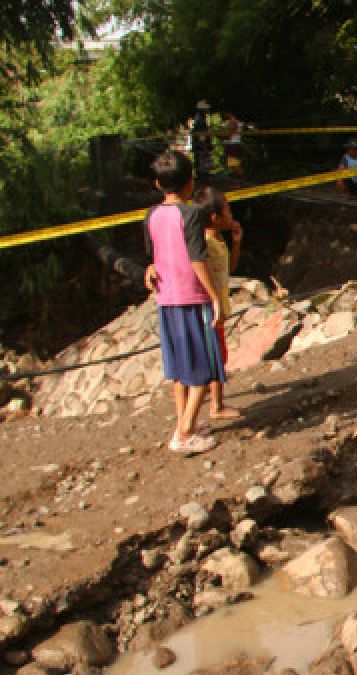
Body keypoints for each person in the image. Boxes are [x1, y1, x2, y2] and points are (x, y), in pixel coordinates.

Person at [142, 151, 225, 455]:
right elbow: (197, 259)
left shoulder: (152, 215)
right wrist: (214, 296)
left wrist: (150, 270)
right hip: (192, 297)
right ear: (190, 184)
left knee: (179, 369)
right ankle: (185, 432)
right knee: (203, 366)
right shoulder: (190, 215)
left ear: (157, 183)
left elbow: (155, 255)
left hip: (166, 300)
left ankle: (183, 421)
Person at [193, 186, 242, 421]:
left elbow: (229, 269)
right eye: (228, 210)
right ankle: (216, 405)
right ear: (215, 217)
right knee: (216, 356)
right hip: (211, 309)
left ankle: (213, 400)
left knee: (218, 355)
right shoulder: (204, 246)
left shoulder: (218, 241)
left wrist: (237, 243)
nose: (231, 214)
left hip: (218, 307)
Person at [223, 112, 245, 179]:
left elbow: (228, 135)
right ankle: (239, 181)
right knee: (235, 165)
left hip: (233, 145)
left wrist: (219, 135)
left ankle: (241, 180)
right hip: (237, 144)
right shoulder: (240, 122)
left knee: (234, 166)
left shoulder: (232, 122)